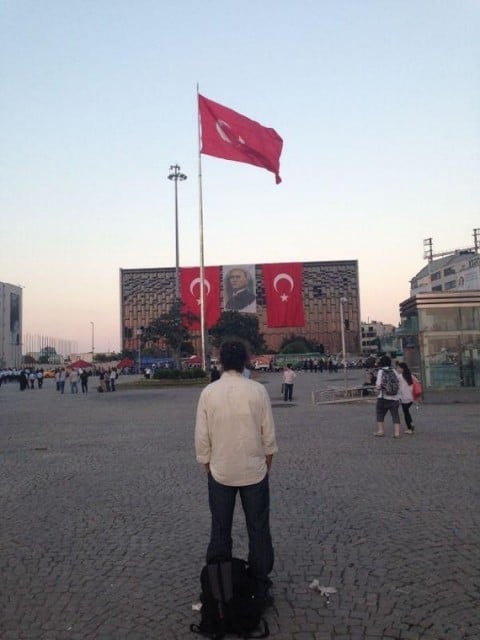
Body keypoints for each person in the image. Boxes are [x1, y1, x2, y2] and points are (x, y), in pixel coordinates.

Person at [195, 339, 278, 610]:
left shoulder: (209, 392)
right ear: (245, 360)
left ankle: (221, 586)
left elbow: (202, 435)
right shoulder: (257, 391)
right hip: (254, 470)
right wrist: (266, 463)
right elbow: (268, 433)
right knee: (258, 529)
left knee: (220, 529)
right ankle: (260, 585)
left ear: (220, 361)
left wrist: (207, 464)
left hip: (220, 472)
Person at [374, 354, 402, 438]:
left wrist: (378, 389)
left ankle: (381, 431)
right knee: (395, 415)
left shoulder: (381, 371)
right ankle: (397, 433)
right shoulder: (394, 371)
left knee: (380, 413)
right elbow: (398, 382)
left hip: (383, 397)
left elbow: (378, 384)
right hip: (395, 397)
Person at [396, 362, 415, 434]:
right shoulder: (410, 375)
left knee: (406, 412)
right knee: (407, 412)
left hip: (404, 397)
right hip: (411, 397)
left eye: (398, 368)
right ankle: (411, 424)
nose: (397, 369)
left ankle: (410, 428)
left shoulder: (400, 377)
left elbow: (397, 386)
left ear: (402, 368)